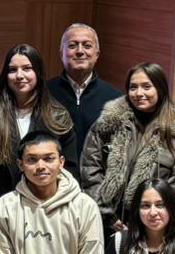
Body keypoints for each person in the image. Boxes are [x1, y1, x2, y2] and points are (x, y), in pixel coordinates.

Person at [0, 44, 76, 224]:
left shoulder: (57, 115)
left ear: (38, 73)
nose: (19, 75)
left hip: (46, 211)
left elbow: (68, 167)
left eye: (27, 68)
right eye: (12, 70)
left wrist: (58, 206)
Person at [80, 62, 175, 231]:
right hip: (105, 220)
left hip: (150, 223)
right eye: (133, 87)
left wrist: (147, 216)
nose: (139, 93)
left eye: (146, 87)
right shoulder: (109, 122)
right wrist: (105, 213)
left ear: (160, 89)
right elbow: (90, 168)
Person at [48, 23, 122, 156]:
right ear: (61, 54)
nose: (80, 51)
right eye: (72, 46)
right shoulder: (44, 92)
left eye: (87, 46)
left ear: (97, 54)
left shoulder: (115, 98)